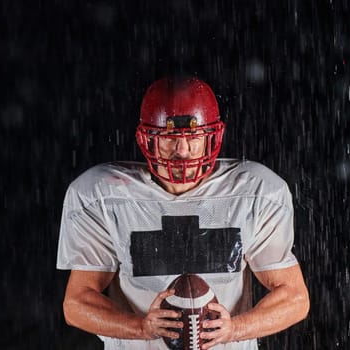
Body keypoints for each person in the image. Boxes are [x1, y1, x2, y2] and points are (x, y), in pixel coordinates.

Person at [56, 76, 309, 349]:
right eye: (170, 137)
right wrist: (140, 328)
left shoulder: (255, 192)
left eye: (193, 137)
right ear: (147, 138)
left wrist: (235, 328)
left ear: (212, 137)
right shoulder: (103, 194)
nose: (182, 151)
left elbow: (295, 298)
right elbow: (77, 303)